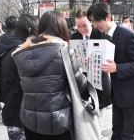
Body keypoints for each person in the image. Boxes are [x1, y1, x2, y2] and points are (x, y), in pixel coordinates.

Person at [12, 11, 88, 140]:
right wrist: (78, 65)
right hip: (57, 120)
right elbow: (80, 86)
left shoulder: (22, 52)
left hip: (30, 120)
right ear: (61, 28)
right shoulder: (64, 51)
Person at [87, 2, 134, 140]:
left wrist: (117, 68)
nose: (94, 24)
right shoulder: (101, 34)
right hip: (117, 93)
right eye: (92, 21)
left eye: (96, 20)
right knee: (116, 132)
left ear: (108, 17)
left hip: (131, 93)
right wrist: (90, 60)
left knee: (127, 135)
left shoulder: (128, 35)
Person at [0, 15, 38, 140]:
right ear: (30, 31)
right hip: (18, 114)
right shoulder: (19, 53)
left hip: (11, 110)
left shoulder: (8, 47)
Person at [71, 10, 112, 123]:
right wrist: (75, 59)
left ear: (91, 22)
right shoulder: (74, 37)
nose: (82, 29)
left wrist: (94, 60)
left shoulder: (101, 34)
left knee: (99, 117)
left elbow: (109, 57)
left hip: (99, 80)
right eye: (78, 26)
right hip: (82, 82)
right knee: (84, 118)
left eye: (84, 25)